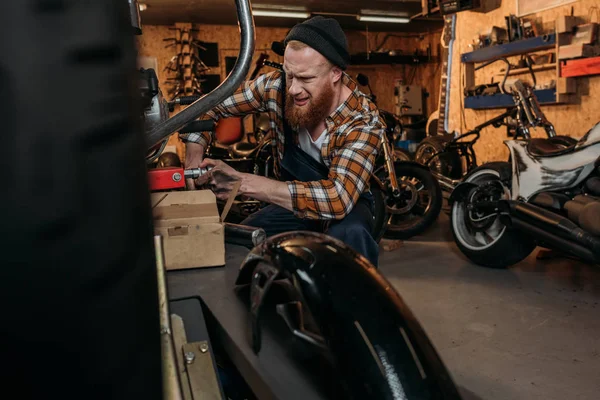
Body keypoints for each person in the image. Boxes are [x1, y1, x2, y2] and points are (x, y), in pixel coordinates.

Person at [180, 16, 385, 266]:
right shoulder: (276, 88)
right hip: (293, 205)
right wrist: (193, 155)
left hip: (346, 209)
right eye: (289, 75)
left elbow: (337, 198)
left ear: (336, 74)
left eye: (306, 79)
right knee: (238, 241)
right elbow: (208, 105)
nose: (294, 89)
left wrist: (241, 183)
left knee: (348, 241)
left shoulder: (362, 119)